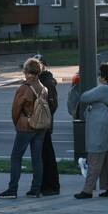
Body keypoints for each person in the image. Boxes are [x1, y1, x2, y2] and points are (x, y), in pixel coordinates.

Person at [69, 63, 108, 199]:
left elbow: (84, 97)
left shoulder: (104, 89)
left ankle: (87, 191)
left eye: (100, 75)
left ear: (104, 78)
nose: (98, 77)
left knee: (94, 160)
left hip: (100, 132)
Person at [0, 57, 48, 199]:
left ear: (26, 72)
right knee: (37, 159)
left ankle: (12, 189)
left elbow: (15, 110)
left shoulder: (24, 88)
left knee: (16, 157)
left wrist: (17, 124)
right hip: (40, 126)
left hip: (25, 126)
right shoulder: (43, 88)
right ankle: (35, 189)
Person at [36, 56, 61, 195]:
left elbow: (53, 105)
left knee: (47, 155)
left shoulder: (47, 82)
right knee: (43, 155)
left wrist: (42, 116)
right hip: (42, 124)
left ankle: (52, 185)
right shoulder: (41, 80)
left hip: (44, 125)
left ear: (44, 66)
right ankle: (45, 184)